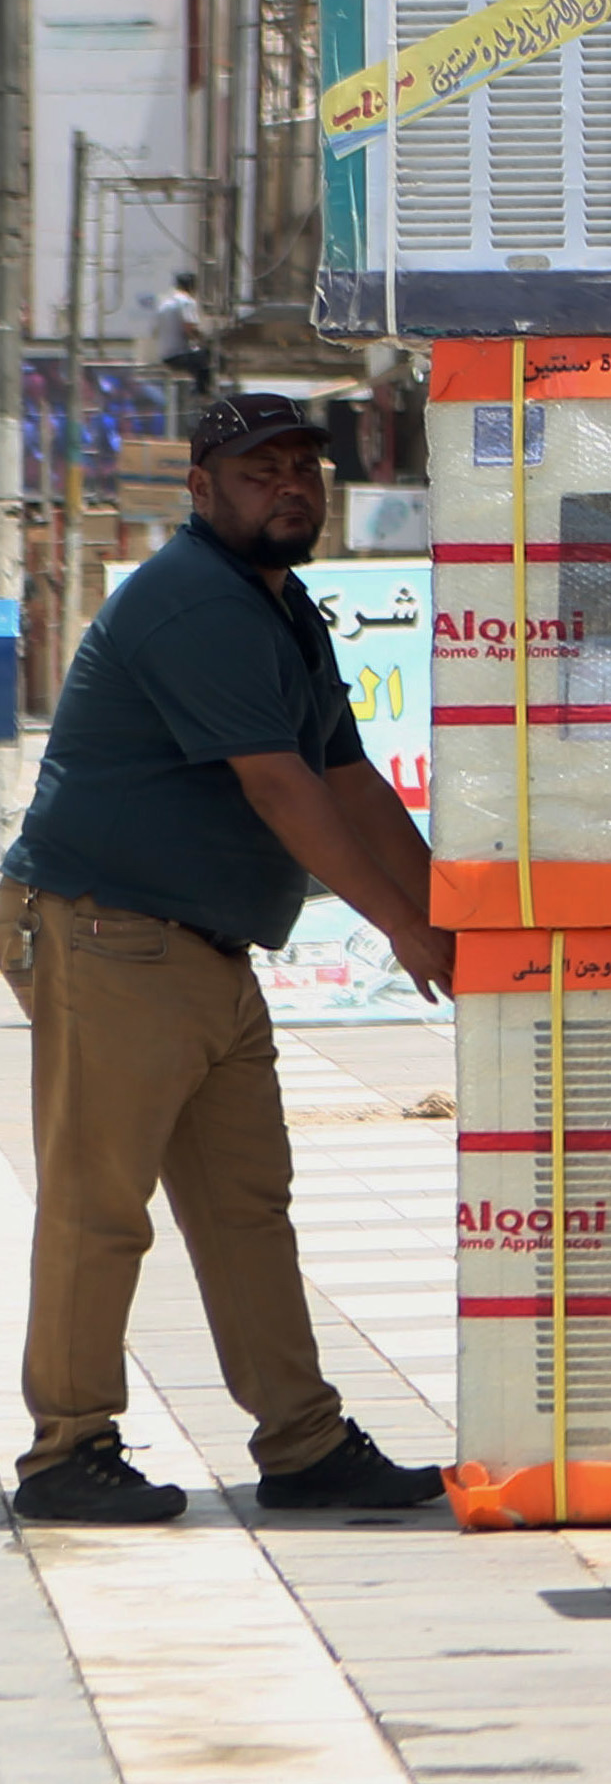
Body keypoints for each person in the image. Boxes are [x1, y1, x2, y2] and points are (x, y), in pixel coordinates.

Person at [1, 393, 455, 1522]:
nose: (291, 485)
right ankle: (67, 1451)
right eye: (262, 471)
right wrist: (400, 924)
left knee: (249, 1203)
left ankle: (301, 1442)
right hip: (109, 926)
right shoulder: (196, 602)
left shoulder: (283, 604)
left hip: (198, 944)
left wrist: (451, 913)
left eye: (305, 465)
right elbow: (279, 783)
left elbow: (351, 776)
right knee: (101, 1201)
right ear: (203, 490)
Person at [153, 274, 213, 398]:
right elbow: (189, 327)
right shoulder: (186, 301)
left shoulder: (164, 302)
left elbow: (155, 330)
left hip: (165, 353)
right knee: (207, 357)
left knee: (197, 359)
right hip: (178, 353)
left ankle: (196, 390)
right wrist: (204, 340)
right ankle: (203, 394)